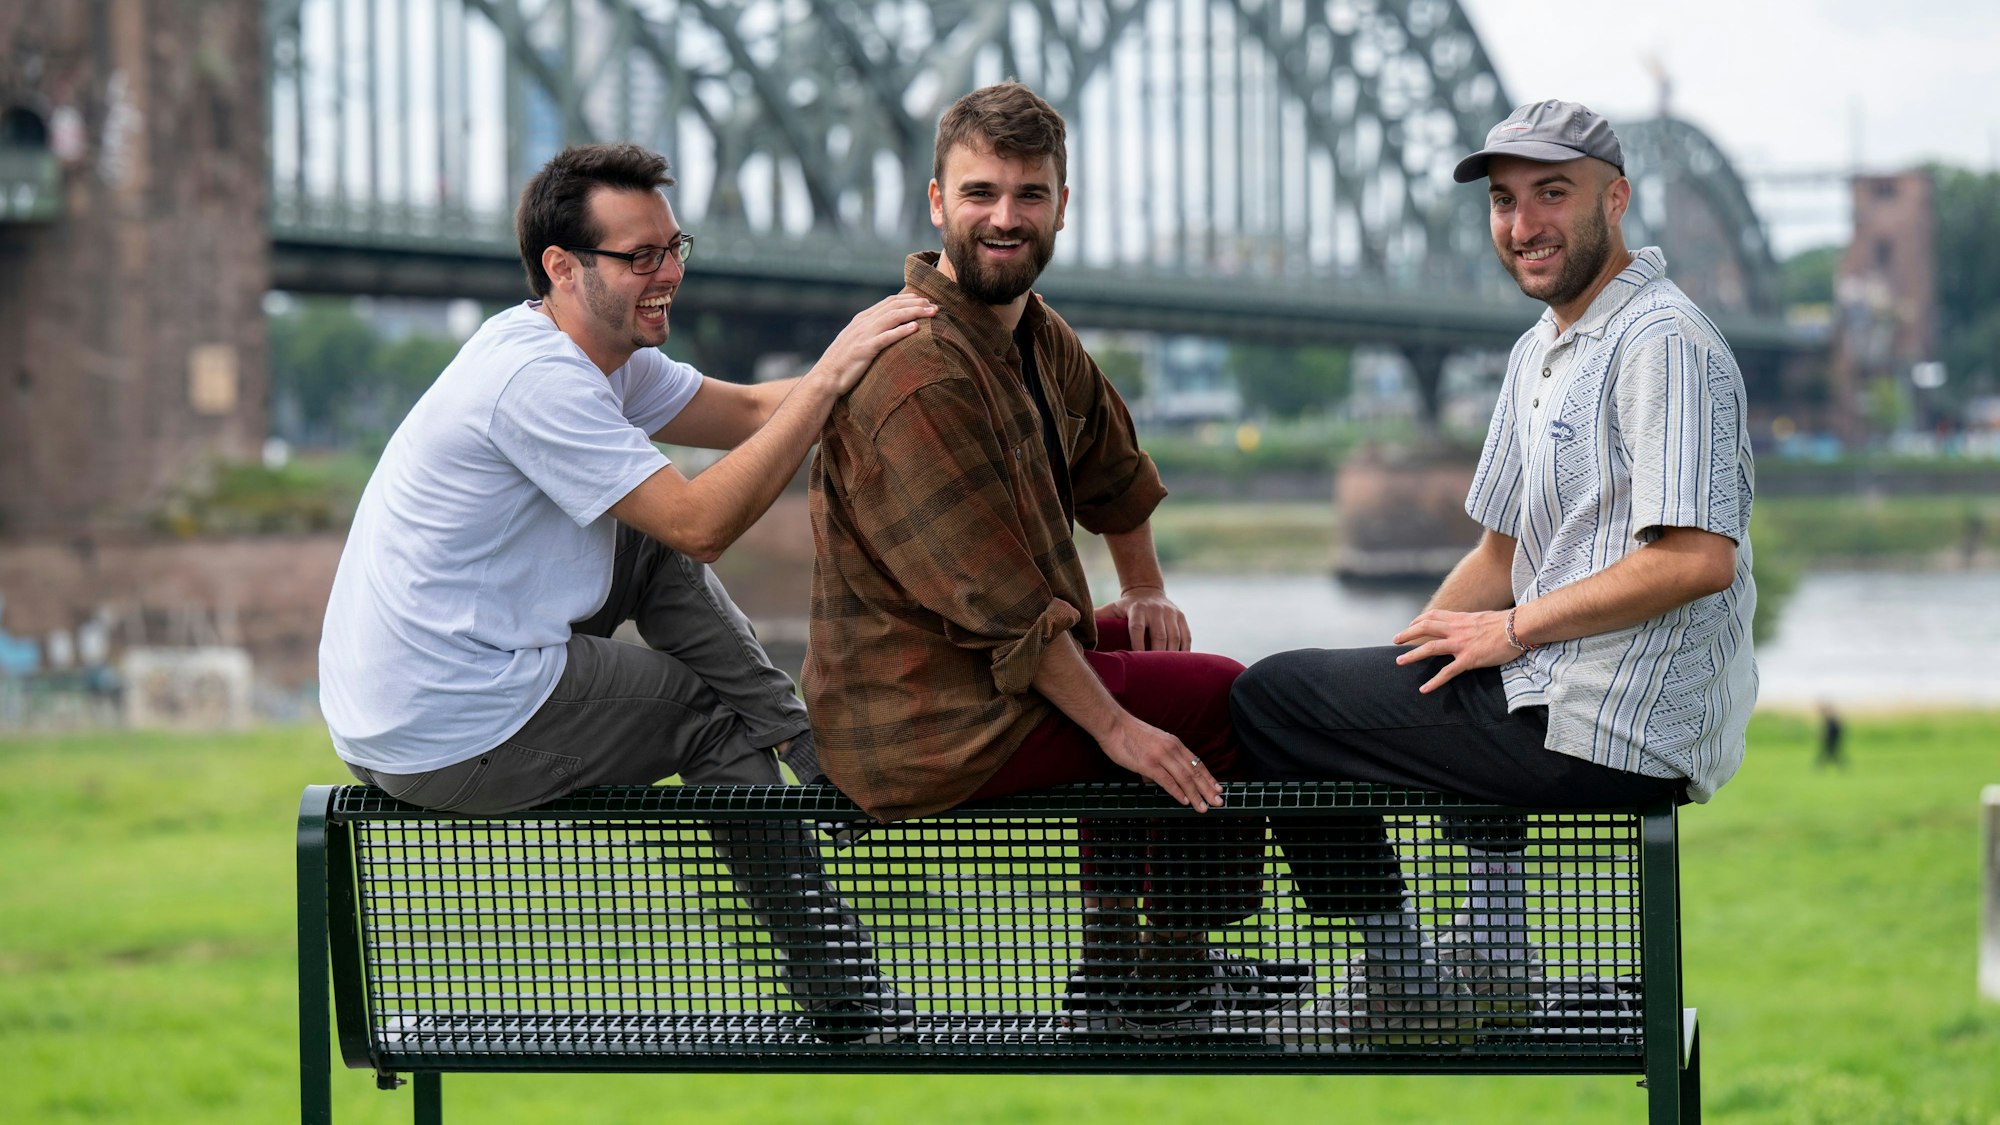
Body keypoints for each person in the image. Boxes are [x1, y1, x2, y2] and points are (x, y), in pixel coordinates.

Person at [317, 142, 935, 1043]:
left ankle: (813, 757)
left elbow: (760, 412)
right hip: (449, 720)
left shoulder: (599, 355)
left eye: (674, 248)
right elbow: (700, 522)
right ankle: (847, 995)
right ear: (562, 268)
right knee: (712, 717)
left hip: (399, 703)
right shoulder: (538, 379)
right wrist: (834, 371)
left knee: (644, 555)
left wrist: (889, 358)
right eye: (639, 257)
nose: (667, 274)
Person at [1230, 100, 1758, 1037]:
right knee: (1406, 678)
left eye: (1552, 194)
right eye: (1505, 202)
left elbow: (1698, 558)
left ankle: (1402, 981)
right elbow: (1499, 554)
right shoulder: (1540, 352)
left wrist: (1508, 630)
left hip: (1616, 718)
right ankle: (1495, 955)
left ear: (1618, 198)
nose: (1523, 225)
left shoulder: (1662, 340)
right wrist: (1408, 661)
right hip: (1563, 696)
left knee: (1270, 700)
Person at [803, 81, 1306, 1038]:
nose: (1006, 216)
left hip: (970, 673)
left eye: (1030, 194)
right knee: (1217, 697)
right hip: (914, 718)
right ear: (937, 202)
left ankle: (1112, 956)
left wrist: (1145, 586)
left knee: (1141, 652)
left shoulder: (1029, 330)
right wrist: (1120, 727)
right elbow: (1007, 614)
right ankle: (1169, 972)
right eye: (981, 192)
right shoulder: (918, 374)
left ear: (1062, 207)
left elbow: (1111, 465)